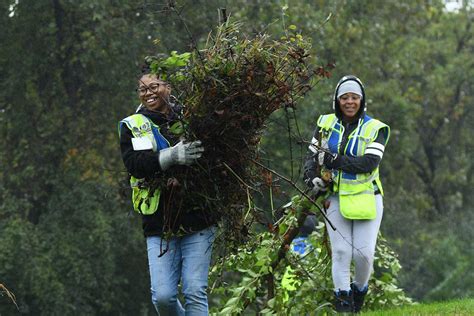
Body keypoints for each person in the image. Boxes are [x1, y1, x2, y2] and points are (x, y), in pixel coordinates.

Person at [118, 69, 217, 315]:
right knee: (163, 297)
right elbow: (136, 165)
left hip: (198, 216)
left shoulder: (192, 117)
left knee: (195, 291)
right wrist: (170, 156)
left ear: (168, 87)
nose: (149, 93)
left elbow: (213, 156)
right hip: (159, 222)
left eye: (154, 86)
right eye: (143, 89)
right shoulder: (134, 125)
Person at [303, 75, 390, 313]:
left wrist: (335, 161)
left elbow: (368, 163)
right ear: (337, 100)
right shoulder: (325, 124)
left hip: (368, 198)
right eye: (344, 97)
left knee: (364, 255)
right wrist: (313, 178)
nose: (349, 102)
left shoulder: (376, 128)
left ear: (361, 100)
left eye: (354, 97)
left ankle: (359, 293)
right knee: (341, 252)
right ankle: (342, 303)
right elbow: (311, 158)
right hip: (336, 197)